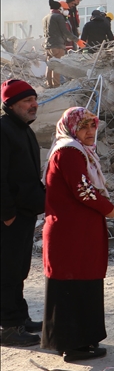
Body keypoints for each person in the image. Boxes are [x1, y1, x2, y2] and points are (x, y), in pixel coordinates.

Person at [42, 107, 114, 362]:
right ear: (71, 128)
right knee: (73, 284)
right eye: (83, 126)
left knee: (81, 282)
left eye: (92, 125)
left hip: (78, 232)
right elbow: (83, 189)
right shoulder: (69, 151)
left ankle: (82, 340)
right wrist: (109, 209)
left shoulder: (79, 151)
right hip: (71, 234)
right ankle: (73, 344)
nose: (90, 131)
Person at [0, 80, 44, 347]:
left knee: (19, 269)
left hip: (24, 213)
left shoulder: (23, 129)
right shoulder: (3, 129)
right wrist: (7, 214)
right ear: (11, 104)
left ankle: (20, 318)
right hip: (10, 217)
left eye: (34, 99)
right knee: (7, 271)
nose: (34, 105)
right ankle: (8, 327)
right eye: (27, 101)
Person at [43, 0, 82, 87]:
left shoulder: (45, 18)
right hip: (58, 45)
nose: (67, 11)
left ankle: (49, 84)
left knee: (49, 65)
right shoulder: (59, 17)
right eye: (65, 9)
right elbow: (65, 32)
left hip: (48, 45)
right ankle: (56, 85)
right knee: (57, 65)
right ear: (60, 9)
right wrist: (77, 40)